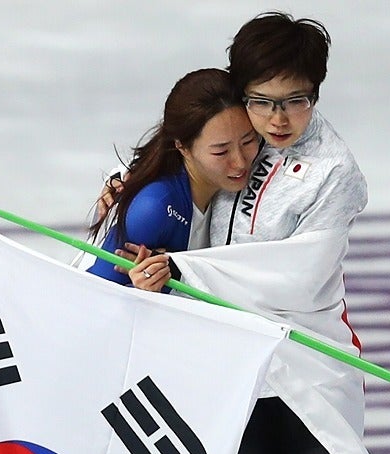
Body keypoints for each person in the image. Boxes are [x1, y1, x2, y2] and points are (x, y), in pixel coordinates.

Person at [104, 12, 377, 454]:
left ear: (317, 90)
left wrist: (183, 275)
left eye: (297, 100)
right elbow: (181, 153)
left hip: (305, 364)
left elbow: (300, 279)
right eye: (263, 102)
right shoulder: (231, 130)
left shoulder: (334, 173)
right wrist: (131, 189)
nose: (278, 119)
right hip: (224, 365)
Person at [82, 68, 259, 291]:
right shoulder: (154, 209)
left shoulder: (244, 170)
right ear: (182, 146)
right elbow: (90, 295)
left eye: (248, 141)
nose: (240, 162)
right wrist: (140, 293)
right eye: (221, 152)